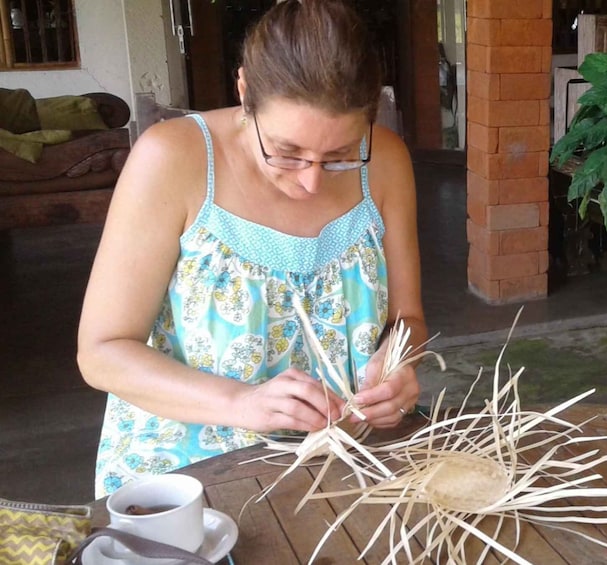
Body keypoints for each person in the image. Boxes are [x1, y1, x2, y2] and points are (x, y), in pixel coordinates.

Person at [77, 0, 426, 497]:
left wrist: (397, 364)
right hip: (189, 473)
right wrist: (243, 404)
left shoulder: (387, 160)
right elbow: (103, 353)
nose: (311, 180)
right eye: (285, 153)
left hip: (343, 458)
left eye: (341, 155)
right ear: (244, 93)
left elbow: (407, 318)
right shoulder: (172, 159)